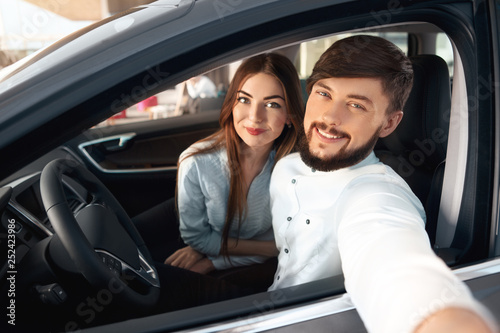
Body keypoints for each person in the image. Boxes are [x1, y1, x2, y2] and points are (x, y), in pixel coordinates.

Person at [268, 35, 498, 333]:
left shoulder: (375, 192)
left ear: (389, 123)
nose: (330, 117)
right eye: (324, 94)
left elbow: (395, 266)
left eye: (356, 105)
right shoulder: (287, 166)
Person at [134, 52, 304, 292]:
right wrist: (266, 248)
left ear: (289, 116)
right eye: (244, 100)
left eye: (272, 104)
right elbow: (197, 239)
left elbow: (290, 242)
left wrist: (213, 259)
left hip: (262, 271)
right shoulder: (196, 162)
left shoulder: (296, 167)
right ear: (232, 104)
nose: (255, 117)